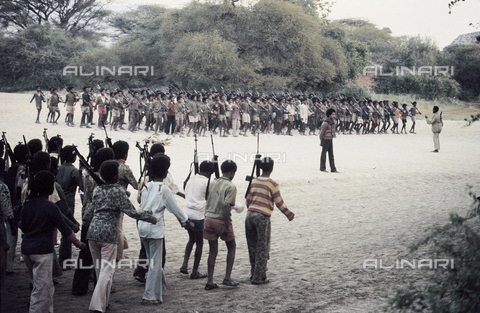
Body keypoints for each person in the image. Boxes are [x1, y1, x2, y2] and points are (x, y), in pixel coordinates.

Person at [85, 161, 156, 313]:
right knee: (107, 271)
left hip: (92, 232)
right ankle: (97, 306)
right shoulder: (118, 190)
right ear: (117, 176)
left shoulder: (97, 190)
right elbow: (132, 212)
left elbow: (90, 211)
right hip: (108, 234)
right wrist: (150, 216)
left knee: (100, 271)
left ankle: (103, 304)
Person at [20, 170, 86, 313]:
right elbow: (66, 230)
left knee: (42, 286)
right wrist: (80, 245)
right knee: (41, 290)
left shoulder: (28, 205)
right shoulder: (51, 206)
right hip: (42, 251)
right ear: (51, 189)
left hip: (26, 250)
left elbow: (23, 226)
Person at [138, 155, 192, 305]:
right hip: (154, 229)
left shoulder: (146, 186)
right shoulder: (164, 189)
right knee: (155, 264)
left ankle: (160, 287)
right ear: (166, 172)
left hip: (142, 226)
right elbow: (175, 208)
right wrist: (186, 221)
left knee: (152, 259)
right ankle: (149, 296)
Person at [245, 157, 295, 284]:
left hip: (250, 214)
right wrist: (288, 214)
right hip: (262, 216)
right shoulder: (273, 184)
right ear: (272, 168)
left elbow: (248, 200)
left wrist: (252, 209)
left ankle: (253, 273)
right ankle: (259, 277)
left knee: (252, 246)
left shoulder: (254, 181)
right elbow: (279, 203)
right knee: (262, 246)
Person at [203, 160, 239, 290]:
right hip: (220, 220)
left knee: (212, 251)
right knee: (232, 247)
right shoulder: (231, 186)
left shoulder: (212, 183)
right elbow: (226, 205)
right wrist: (226, 225)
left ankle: (210, 281)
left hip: (208, 219)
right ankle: (227, 278)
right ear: (231, 172)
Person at [180, 161, 213, 279]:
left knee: (191, 239)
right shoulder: (208, 182)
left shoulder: (191, 178)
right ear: (208, 172)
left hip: (186, 214)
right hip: (198, 215)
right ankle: (194, 271)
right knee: (199, 243)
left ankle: (184, 264)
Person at [56, 145, 83, 267]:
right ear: (73, 158)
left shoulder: (58, 168)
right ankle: (64, 259)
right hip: (68, 202)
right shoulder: (73, 171)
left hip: (56, 201)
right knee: (67, 231)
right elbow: (82, 186)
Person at [319, 108, 339, 173]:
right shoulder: (325, 123)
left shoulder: (332, 122)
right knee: (324, 154)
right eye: (333, 114)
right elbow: (321, 133)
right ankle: (322, 168)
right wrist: (321, 141)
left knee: (331, 155)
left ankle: (333, 169)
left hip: (330, 139)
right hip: (326, 139)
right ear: (329, 115)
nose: (334, 116)